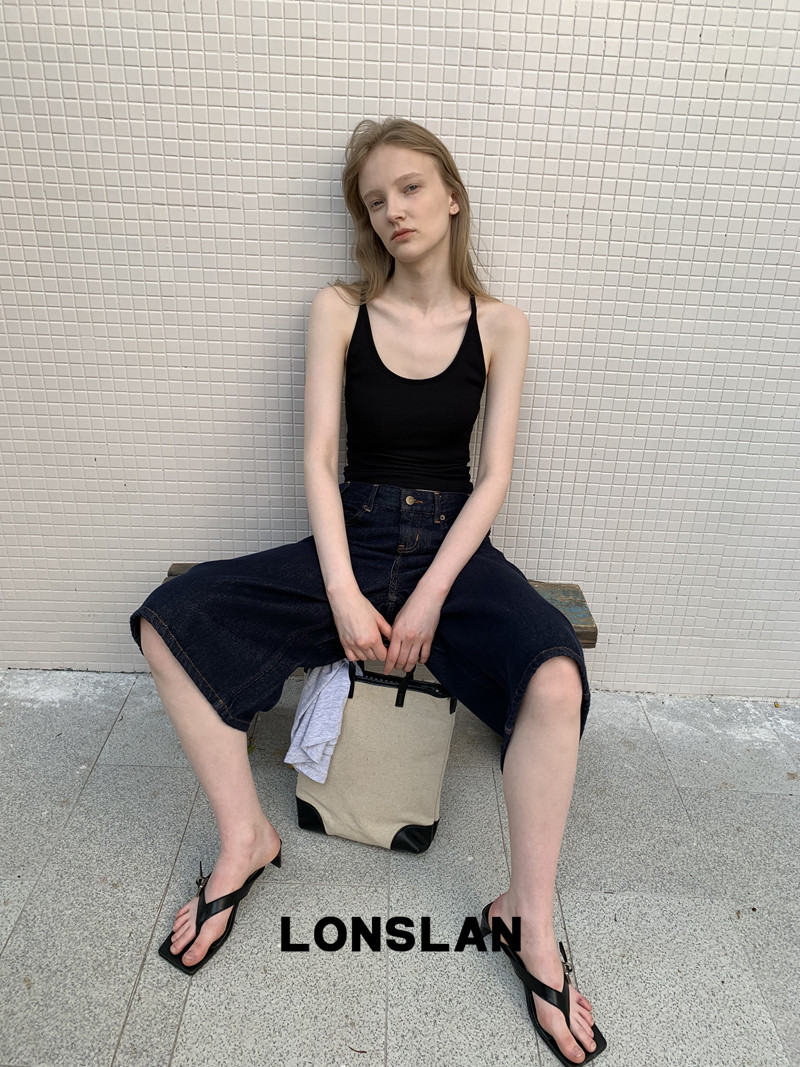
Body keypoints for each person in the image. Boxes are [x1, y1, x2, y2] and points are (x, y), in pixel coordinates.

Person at [130, 118, 605, 1065]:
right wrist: (345, 591)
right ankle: (245, 838)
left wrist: (428, 596)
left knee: (556, 676)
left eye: (411, 188)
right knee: (170, 620)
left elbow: (493, 477)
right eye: (376, 199)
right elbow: (318, 457)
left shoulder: (502, 325)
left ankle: (528, 917)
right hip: (352, 533)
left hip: (453, 546)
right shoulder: (339, 309)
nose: (394, 210)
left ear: (453, 196)